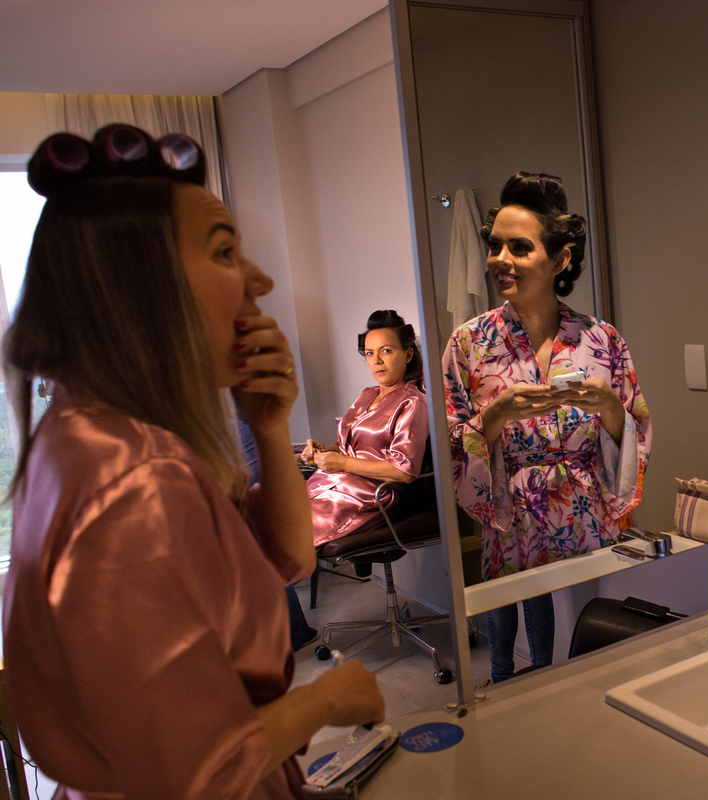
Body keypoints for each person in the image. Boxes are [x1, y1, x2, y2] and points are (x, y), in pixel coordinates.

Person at [2, 125, 385, 799]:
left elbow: (280, 561)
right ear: (139, 285)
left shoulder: (78, 438)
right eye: (225, 251)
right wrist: (325, 702)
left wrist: (267, 426)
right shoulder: (133, 484)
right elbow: (193, 776)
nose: (259, 280)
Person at [442, 172, 651, 683]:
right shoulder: (468, 345)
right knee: (522, 681)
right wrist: (494, 416)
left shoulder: (602, 341)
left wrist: (608, 408)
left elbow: (636, 435)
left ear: (560, 259)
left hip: (589, 524)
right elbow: (450, 443)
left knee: (592, 659)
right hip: (512, 524)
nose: (500, 261)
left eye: (519, 247)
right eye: (495, 247)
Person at [303, 310, 430, 546]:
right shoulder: (367, 395)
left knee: (286, 539)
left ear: (408, 354)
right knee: (266, 519)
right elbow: (345, 447)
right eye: (370, 353)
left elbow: (404, 472)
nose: (376, 360)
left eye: (386, 351)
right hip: (325, 485)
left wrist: (341, 463)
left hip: (363, 497)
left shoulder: (412, 402)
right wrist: (324, 451)